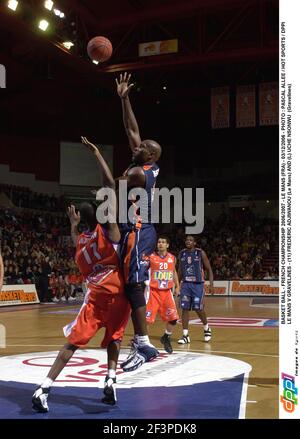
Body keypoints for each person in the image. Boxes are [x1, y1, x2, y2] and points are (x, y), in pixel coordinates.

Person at [31, 137, 131, 412]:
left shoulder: (81, 244)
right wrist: (98, 153)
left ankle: (44, 387)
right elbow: (110, 187)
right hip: (117, 294)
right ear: (99, 217)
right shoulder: (108, 233)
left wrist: (72, 224)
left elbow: (76, 236)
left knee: (71, 344)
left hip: (96, 297)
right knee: (115, 337)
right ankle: (110, 379)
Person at [115, 72, 162, 371]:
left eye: (142, 146)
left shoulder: (137, 173)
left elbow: (111, 185)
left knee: (133, 287)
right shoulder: (146, 162)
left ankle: (143, 344)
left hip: (138, 230)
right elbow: (131, 128)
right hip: (134, 228)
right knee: (127, 286)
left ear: (151, 154)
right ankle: (136, 339)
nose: (137, 144)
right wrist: (125, 98)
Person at [146, 236, 180, 354]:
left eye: (163, 242)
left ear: (167, 245)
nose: (160, 244)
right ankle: (143, 342)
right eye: (159, 242)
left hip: (167, 292)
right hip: (153, 292)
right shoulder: (150, 257)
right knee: (147, 320)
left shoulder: (172, 258)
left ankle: (166, 337)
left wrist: (177, 286)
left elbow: (173, 271)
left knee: (173, 319)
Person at [177, 235, 214, 344]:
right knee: (185, 308)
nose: (188, 241)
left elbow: (209, 269)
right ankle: (185, 335)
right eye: (187, 240)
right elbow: (180, 270)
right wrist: (177, 285)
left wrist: (211, 284)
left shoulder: (200, 253)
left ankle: (206, 328)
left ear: (195, 243)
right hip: (186, 285)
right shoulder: (182, 253)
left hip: (198, 285)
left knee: (199, 309)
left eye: (191, 240)